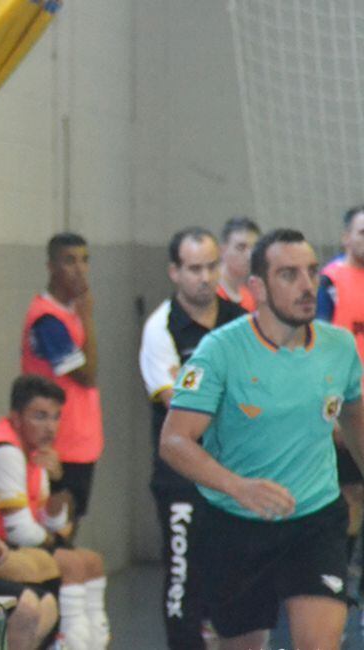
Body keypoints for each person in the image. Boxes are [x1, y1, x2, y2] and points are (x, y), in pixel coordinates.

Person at [160, 229, 364, 650]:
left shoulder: (340, 347)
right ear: (258, 287)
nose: (308, 286)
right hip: (235, 525)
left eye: (311, 272)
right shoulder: (220, 351)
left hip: (315, 519)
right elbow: (174, 442)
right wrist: (239, 487)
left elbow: (358, 421)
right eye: (289, 274)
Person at [0, 375, 110, 650]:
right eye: (40, 416)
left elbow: (52, 521)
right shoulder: (4, 451)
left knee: (92, 561)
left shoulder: (34, 453)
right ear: (16, 417)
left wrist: (59, 482)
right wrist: (55, 540)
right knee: (73, 563)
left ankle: (93, 641)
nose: (50, 427)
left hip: (3, 544)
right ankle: (72, 642)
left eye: (56, 417)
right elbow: (22, 530)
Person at [139, 227, 244, 649]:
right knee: (184, 576)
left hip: (235, 475)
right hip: (181, 478)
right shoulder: (161, 328)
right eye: (195, 268)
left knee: (234, 577)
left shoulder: (241, 322)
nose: (205, 277)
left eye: (211, 266)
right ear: (175, 272)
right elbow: (175, 403)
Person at [20, 232, 102, 531]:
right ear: (51, 267)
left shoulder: (70, 313)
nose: (80, 269)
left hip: (82, 443)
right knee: (59, 532)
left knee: (72, 526)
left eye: (84, 260)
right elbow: (87, 373)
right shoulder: (48, 320)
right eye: (69, 261)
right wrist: (89, 318)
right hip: (59, 444)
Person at [318, 205, 364, 571]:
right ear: (346, 237)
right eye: (361, 232)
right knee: (348, 494)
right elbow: (316, 347)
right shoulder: (329, 284)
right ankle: (336, 578)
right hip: (346, 409)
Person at [216, 216, 260, 312]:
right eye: (241, 247)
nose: (250, 255)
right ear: (222, 251)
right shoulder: (209, 295)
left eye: (255, 248)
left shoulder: (249, 297)